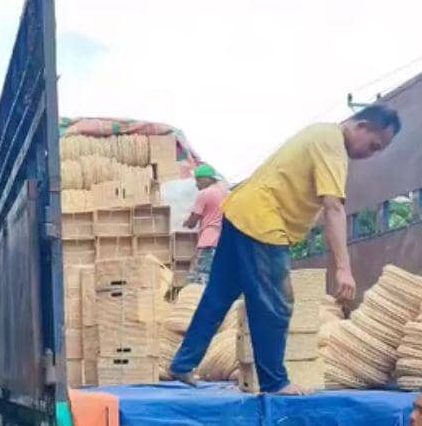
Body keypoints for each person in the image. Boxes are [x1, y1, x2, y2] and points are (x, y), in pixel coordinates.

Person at [169, 104, 402, 393]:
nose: (371, 153)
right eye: (374, 145)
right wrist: (343, 268)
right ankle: (274, 381)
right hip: (262, 220)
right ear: (361, 126)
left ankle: (182, 363)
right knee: (274, 304)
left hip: (242, 210)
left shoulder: (321, 135)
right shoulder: (332, 144)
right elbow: (333, 207)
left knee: (218, 296)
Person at [182, 164, 228, 284]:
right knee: (218, 278)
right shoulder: (223, 192)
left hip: (209, 240)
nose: (197, 184)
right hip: (222, 240)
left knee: (201, 278)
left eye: (198, 180)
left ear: (207, 179)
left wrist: (185, 223)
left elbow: (193, 221)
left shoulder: (205, 194)